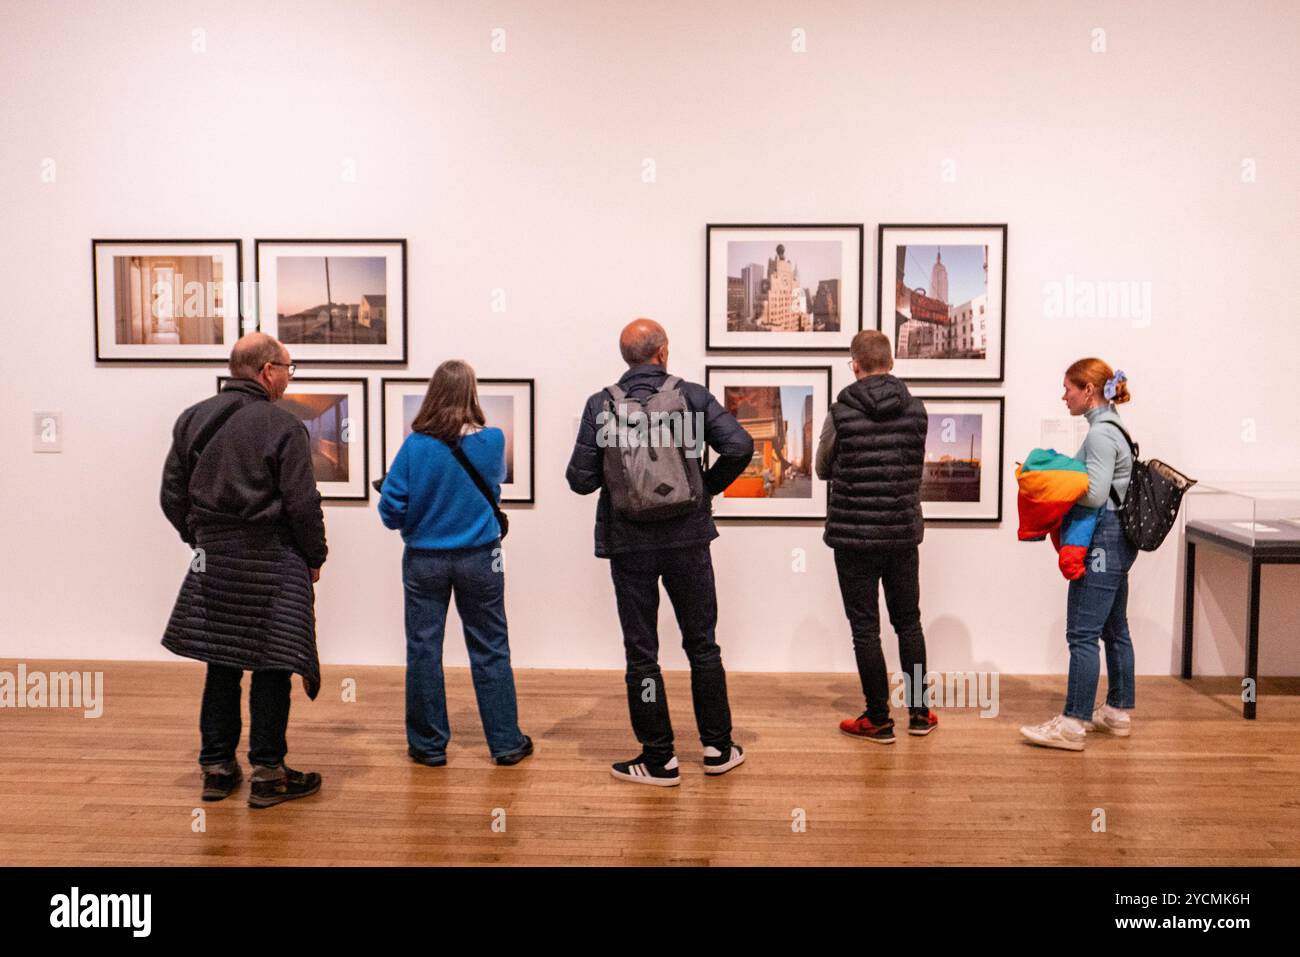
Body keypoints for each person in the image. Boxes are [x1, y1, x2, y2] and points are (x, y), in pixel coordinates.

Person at [566, 318, 754, 786]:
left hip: (630, 544)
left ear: (626, 357)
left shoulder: (601, 404)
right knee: (702, 645)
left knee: (642, 653)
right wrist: (703, 488)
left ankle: (659, 759)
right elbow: (740, 445)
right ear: (663, 352)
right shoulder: (690, 397)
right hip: (688, 539)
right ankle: (716, 747)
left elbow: (579, 480)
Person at [160, 332, 326, 808]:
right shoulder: (283, 426)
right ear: (267, 371)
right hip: (272, 561)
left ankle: (216, 769)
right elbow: (301, 504)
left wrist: (201, 539)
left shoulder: (192, 419)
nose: (290, 380)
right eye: (289, 370)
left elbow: (172, 495)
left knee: (222, 661)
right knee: (272, 666)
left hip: (216, 561)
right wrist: (315, 556)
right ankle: (268, 775)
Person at [378, 360, 532, 768]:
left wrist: (418, 516)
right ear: (471, 392)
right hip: (481, 558)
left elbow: (390, 509)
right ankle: (506, 743)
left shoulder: (416, 445)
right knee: (491, 647)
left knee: (424, 650)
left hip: (424, 561)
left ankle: (429, 747)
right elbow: (492, 486)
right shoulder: (493, 440)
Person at [815, 330, 935, 744]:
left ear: (855, 365)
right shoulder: (916, 411)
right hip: (901, 532)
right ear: (892, 362)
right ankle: (919, 713)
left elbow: (822, 467)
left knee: (865, 628)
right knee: (909, 623)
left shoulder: (841, 412)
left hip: (853, 536)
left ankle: (878, 719)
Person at [1021, 359, 1135, 751]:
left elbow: (1096, 493)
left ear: (1089, 390)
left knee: (1082, 634)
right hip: (1118, 537)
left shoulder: (1102, 434)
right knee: (1115, 628)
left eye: (1068, 387)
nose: (1063, 395)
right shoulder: (1115, 427)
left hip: (1102, 537)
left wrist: (1053, 483)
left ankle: (1072, 723)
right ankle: (1117, 711)